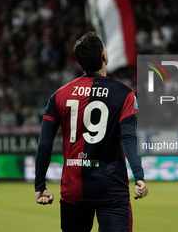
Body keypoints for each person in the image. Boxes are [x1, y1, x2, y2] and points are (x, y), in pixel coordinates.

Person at [34, 32, 148, 232]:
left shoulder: (59, 95)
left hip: (74, 189)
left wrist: (40, 185)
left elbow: (45, 144)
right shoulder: (124, 94)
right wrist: (138, 175)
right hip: (111, 189)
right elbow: (129, 136)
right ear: (105, 57)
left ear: (80, 62)